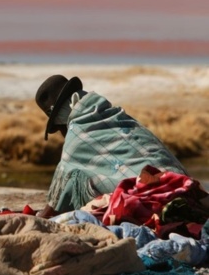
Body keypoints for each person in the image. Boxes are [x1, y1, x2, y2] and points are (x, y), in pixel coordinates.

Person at [34, 74, 188, 218]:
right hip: (184, 185)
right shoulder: (116, 116)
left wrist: (42, 217)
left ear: (61, 120)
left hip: (156, 200)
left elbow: (57, 198)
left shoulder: (76, 137)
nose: (63, 134)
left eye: (60, 128)